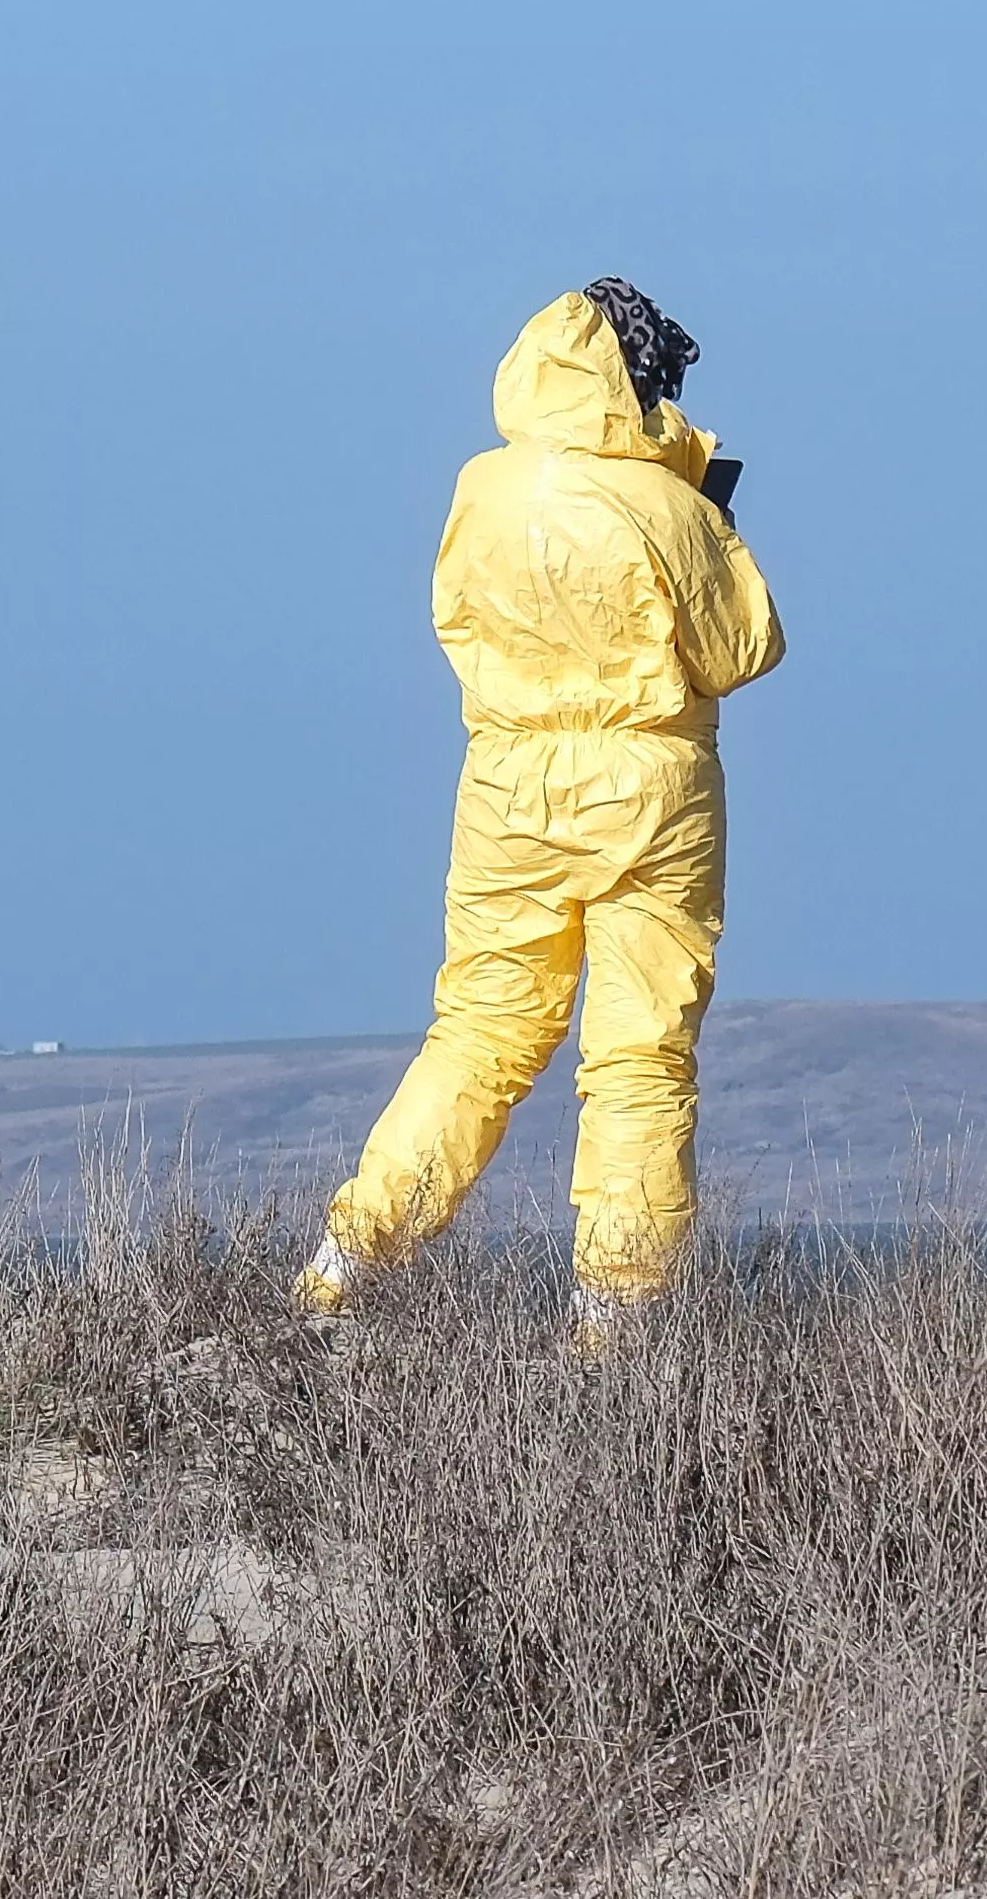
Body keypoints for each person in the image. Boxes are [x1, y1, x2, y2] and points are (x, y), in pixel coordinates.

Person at [300, 277, 784, 1335]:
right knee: (637, 1055)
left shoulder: (481, 487)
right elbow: (742, 648)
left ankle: (345, 1268)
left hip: (508, 780)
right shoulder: (661, 503)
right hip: (648, 784)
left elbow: (453, 621)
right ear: (641, 380)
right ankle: (616, 1318)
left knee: (475, 1034)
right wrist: (699, 498)